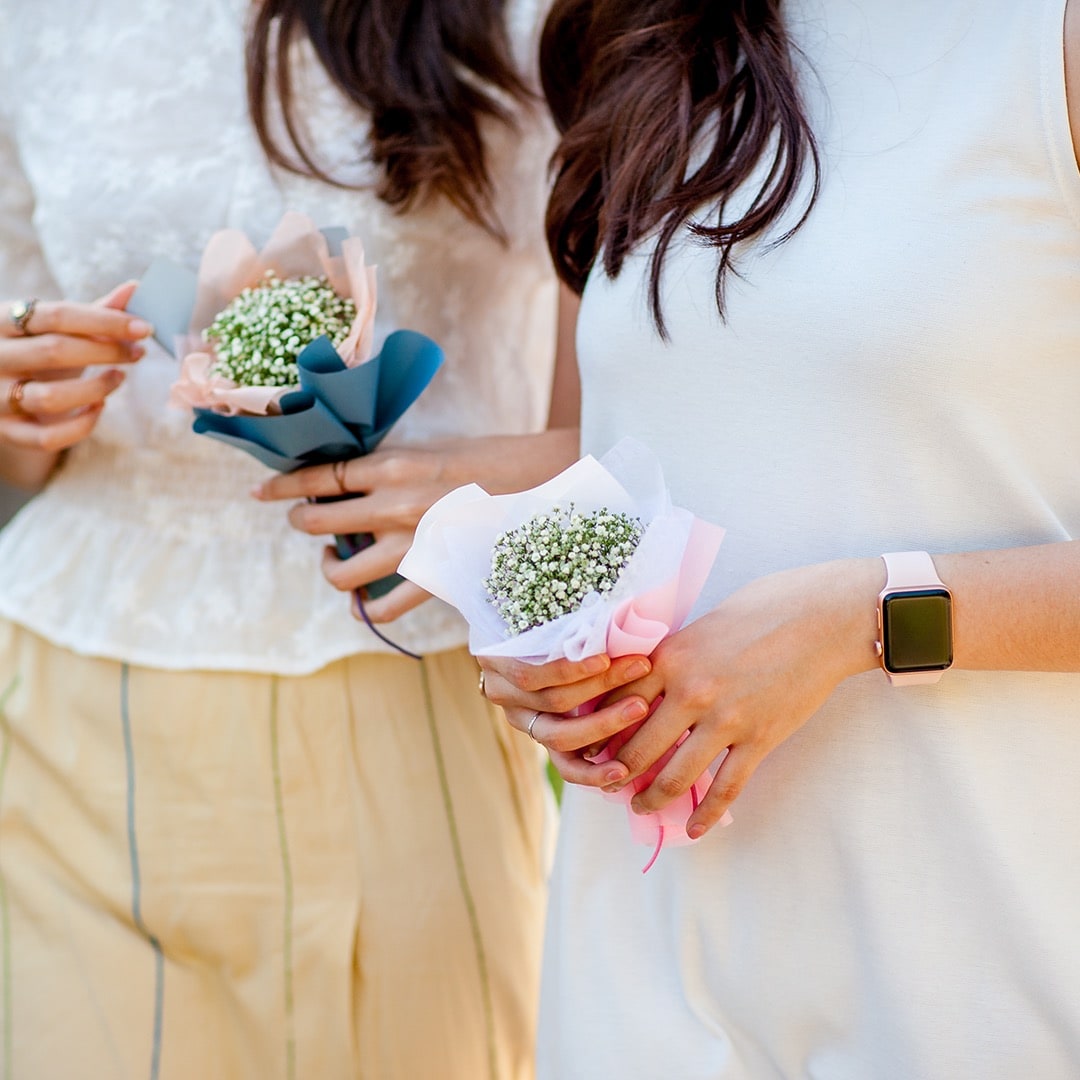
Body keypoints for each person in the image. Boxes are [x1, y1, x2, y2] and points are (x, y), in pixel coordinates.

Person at [477, 1, 1080, 1077]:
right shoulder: (633, 40)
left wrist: (863, 618)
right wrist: (545, 637)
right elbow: (604, 463)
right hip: (644, 955)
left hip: (971, 959)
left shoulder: (1047, 44)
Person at [0, 2, 568, 1077]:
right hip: (79, 701)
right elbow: (22, 438)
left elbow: (633, 433)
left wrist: (467, 496)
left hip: (417, 686)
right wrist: (21, 414)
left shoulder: (538, 19)